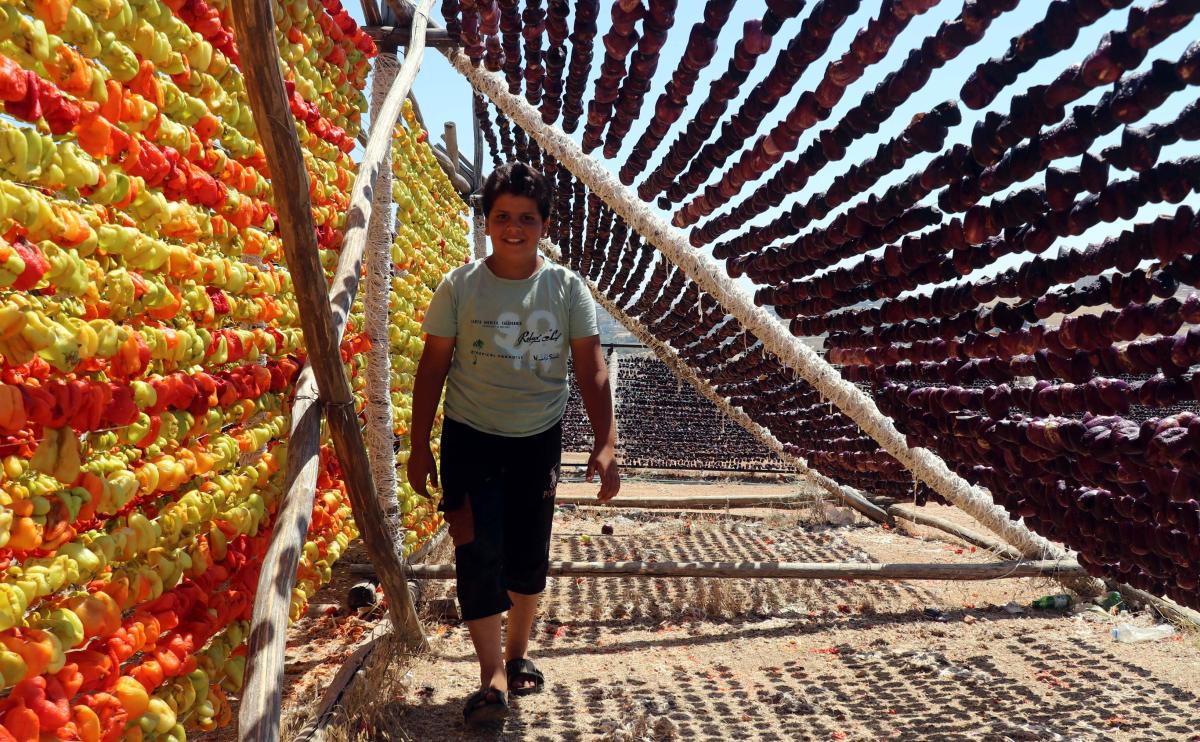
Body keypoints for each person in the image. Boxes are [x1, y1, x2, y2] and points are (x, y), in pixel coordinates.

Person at [407, 161, 620, 726]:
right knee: (475, 551)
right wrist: (419, 444)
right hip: (469, 438)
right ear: (487, 222)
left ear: (544, 225)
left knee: (528, 552)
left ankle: (518, 652)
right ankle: (491, 677)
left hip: (537, 440)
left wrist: (606, 442)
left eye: (527, 218)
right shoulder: (459, 286)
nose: (514, 228)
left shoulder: (566, 288)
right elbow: (432, 367)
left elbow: (591, 367)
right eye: (502, 216)